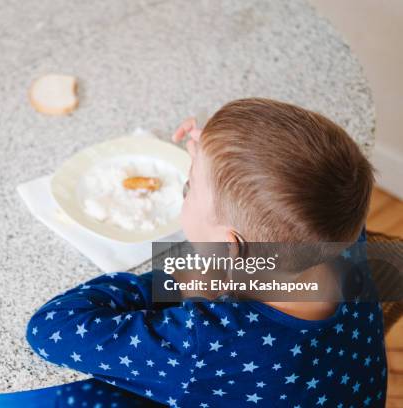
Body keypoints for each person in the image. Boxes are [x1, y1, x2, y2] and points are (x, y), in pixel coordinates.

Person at [26, 98, 385, 407]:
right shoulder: (341, 235)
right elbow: (301, 181)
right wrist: (217, 155)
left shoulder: (206, 341)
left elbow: (51, 328)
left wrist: (174, 277)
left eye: (189, 185)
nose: (186, 181)